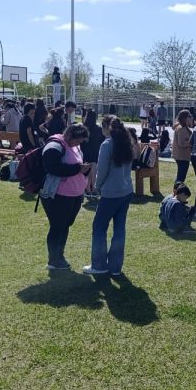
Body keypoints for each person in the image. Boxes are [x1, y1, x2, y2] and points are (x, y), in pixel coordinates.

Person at [83, 116, 134, 276]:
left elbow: (102, 170)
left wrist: (96, 187)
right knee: (119, 229)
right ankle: (115, 267)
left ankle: (98, 265)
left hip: (111, 193)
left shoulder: (107, 145)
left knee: (99, 228)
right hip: (126, 191)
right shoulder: (126, 141)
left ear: (106, 127)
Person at [40, 124, 92, 270]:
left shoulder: (75, 146)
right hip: (58, 195)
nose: (78, 144)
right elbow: (51, 167)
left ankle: (59, 256)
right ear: (68, 135)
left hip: (74, 194)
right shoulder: (54, 146)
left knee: (65, 226)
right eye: (77, 141)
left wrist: (84, 170)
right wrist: (77, 169)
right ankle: (54, 260)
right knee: (57, 227)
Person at [80, 110, 105, 198]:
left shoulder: (83, 128)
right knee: (92, 169)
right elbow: (102, 140)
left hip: (84, 153)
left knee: (88, 170)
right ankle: (91, 189)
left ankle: (88, 189)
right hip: (95, 152)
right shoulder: (98, 129)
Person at [173, 109, 193, 183]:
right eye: (189, 117)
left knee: (181, 176)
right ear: (184, 118)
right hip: (181, 156)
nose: (191, 118)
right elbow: (181, 143)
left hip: (183, 156)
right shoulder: (181, 128)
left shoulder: (184, 127)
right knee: (181, 177)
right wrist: (192, 142)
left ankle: (177, 191)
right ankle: (177, 192)